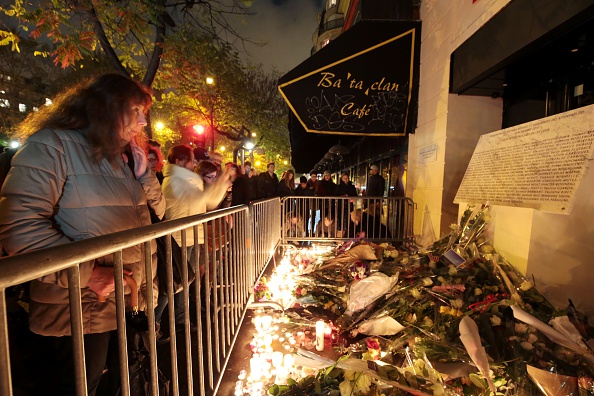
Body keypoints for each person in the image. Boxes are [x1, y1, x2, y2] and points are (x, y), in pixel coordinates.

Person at [0, 73, 165, 396]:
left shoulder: (120, 158)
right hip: (77, 309)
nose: (143, 122)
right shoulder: (52, 146)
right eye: (136, 110)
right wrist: (87, 275)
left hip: (120, 303)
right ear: (106, 107)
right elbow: (19, 228)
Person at [159, 145, 230, 332]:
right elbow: (201, 201)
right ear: (180, 162)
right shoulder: (175, 181)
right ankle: (157, 322)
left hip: (189, 237)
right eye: (192, 160)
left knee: (185, 281)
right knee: (175, 283)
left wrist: (220, 184)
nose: (194, 164)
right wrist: (220, 183)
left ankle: (179, 319)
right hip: (179, 240)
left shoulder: (188, 181)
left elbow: (207, 202)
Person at [306, 171, 319, 236]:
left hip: (315, 201)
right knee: (307, 216)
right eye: (313, 176)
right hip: (308, 201)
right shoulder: (308, 183)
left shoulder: (318, 183)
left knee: (314, 216)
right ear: (311, 177)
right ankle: (306, 231)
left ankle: (312, 229)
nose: (314, 178)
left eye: (315, 176)